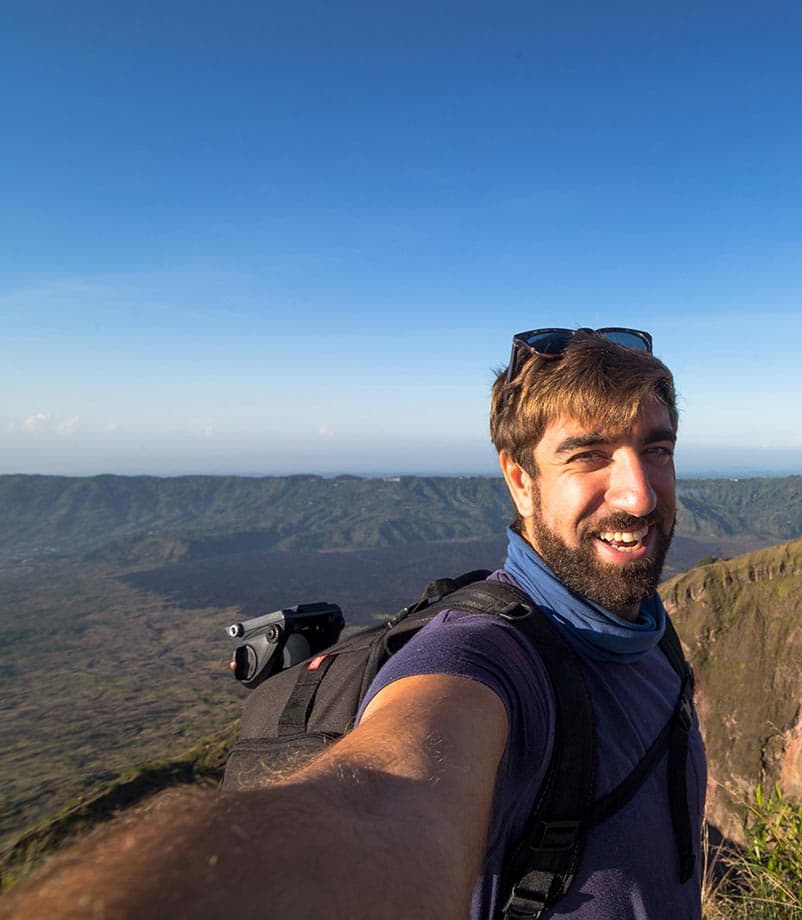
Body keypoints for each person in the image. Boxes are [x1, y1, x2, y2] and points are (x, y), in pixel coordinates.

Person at [1, 327, 706, 920]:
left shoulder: (647, 627)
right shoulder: (488, 658)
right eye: (587, 455)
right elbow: (383, 798)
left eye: (657, 449)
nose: (640, 492)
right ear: (521, 481)